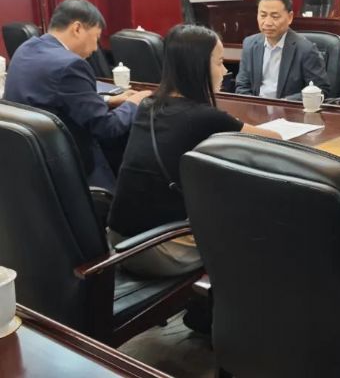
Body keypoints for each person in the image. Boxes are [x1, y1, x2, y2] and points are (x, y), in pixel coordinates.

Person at [108, 24, 282, 278]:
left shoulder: (148, 105)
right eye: (219, 62)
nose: (225, 71)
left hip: (118, 241)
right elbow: (275, 140)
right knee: (258, 228)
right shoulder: (204, 117)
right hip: (157, 249)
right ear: (197, 66)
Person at [4, 0, 150, 189]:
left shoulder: (26, 48)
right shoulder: (71, 65)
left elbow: (53, 97)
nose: (95, 48)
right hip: (67, 165)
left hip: (27, 162)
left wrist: (108, 99)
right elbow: (107, 127)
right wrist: (134, 103)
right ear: (77, 28)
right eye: (96, 38)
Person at [235, 0, 330, 99]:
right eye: (263, 15)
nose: (267, 22)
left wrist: (283, 104)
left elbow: (320, 90)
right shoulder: (249, 44)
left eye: (275, 16)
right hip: (256, 107)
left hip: (288, 108)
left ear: (290, 17)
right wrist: (255, 106)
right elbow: (242, 86)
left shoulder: (306, 50)